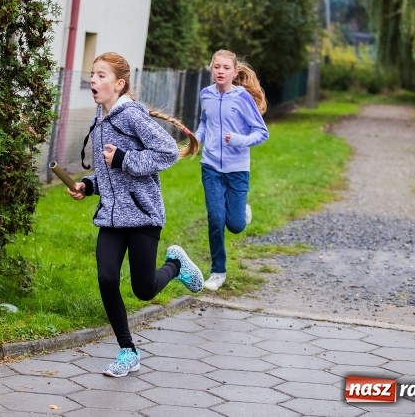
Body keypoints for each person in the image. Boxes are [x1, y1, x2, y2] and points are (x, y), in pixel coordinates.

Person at [67, 52, 204, 378]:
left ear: (119, 84)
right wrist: (88, 185)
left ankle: (176, 265)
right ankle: (127, 350)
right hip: (112, 218)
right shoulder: (99, 119)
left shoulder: (130, 116)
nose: (93, 81)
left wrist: (124, 158)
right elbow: (110, 174)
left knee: (143, 289)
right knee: (106, 278)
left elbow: (168, 151)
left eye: (101, 75)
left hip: (143, 215)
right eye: (93, 74)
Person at [195, 49, 269, 291]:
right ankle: (218, 271)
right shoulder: (205, 95)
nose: (220, 71)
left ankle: (242, 211)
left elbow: (261, 133)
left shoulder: (242, 98)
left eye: (226, 68)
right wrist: (197, 139)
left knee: (235, 225)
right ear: (211, 68)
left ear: (235, 72)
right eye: (217, 67)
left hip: (237, 169)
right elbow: (205, 122)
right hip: (211, 166)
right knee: (216, 219)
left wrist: (238, 139)